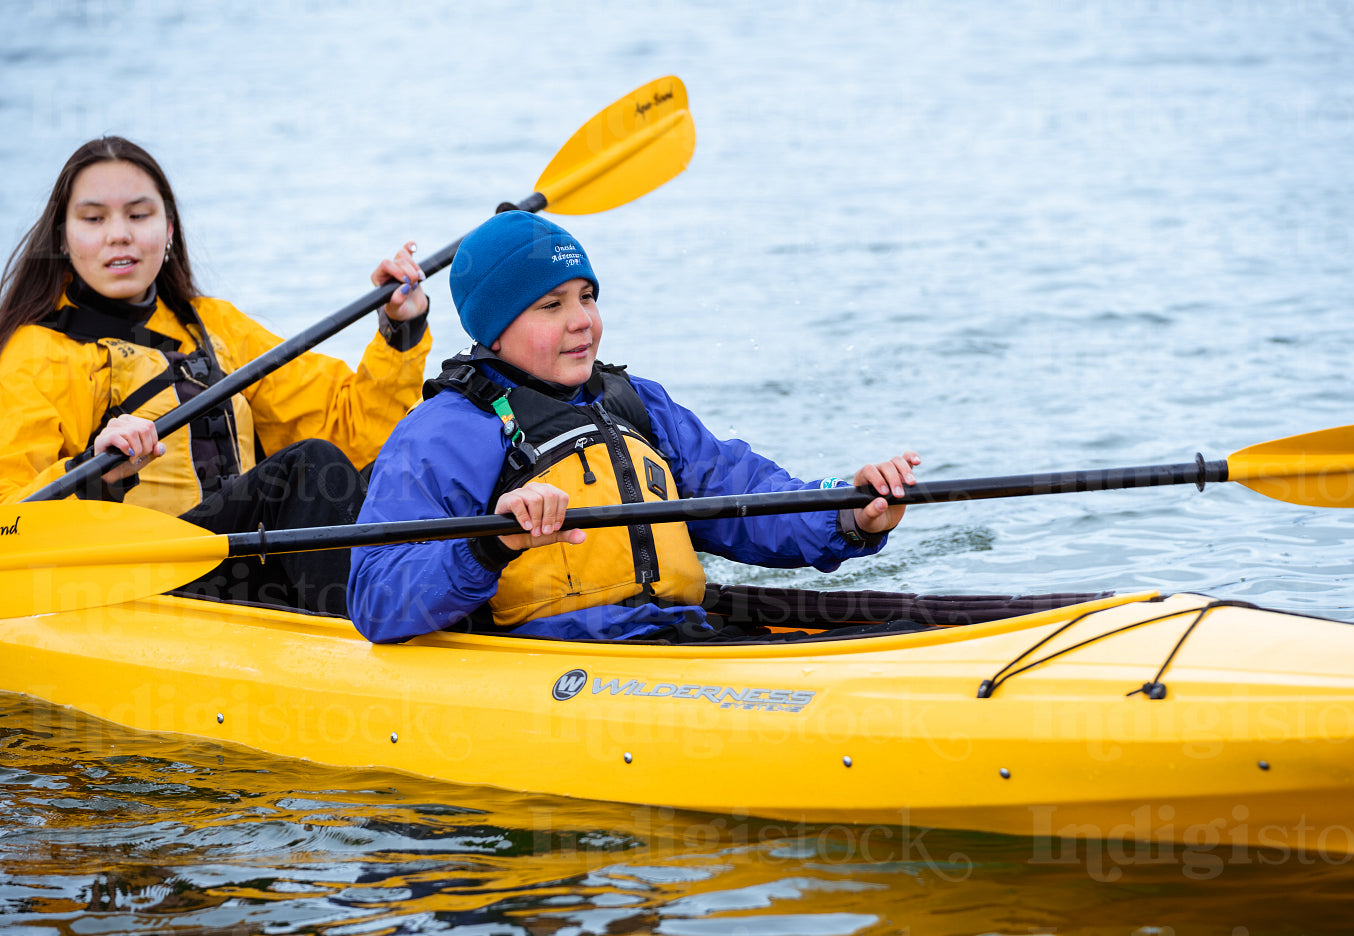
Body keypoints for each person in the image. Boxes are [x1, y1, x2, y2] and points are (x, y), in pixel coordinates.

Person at [349, 210, 920, 643]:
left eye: (587, 297)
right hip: (555, 667)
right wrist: (492, 544)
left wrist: (848, 512)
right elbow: (377, 597)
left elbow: (744, 495)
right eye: (551, 305)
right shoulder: (443, 432)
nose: (582, 321)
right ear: (495, 331)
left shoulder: (637, 401)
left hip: (677, 638)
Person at [0, 136, 432, 614]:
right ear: (62, 235)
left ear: (168, 230)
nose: (118, 234)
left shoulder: (216, 324)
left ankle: (442, 617)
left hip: (239, 567)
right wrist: (93, 472)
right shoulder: (35, 354)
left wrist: (401, 330)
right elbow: (8, 523)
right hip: (136, 582)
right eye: (94, 218)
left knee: (408, 464)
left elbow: (353, 431)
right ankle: (381, 628)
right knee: (307, 467)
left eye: (139, 215)